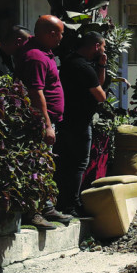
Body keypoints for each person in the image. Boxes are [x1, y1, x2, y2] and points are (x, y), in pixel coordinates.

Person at [16, 15, 72, 228]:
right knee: (36, 167)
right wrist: (47, 125)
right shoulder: (36, 57)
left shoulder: (43, 53)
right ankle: (33, 212)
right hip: (38, 123)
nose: (60, 38)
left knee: (45, 166)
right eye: (59, 34)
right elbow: (35, 93)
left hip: (49, 121)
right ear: (50, 33)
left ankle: (46, 206)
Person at [55, 32, 108, 216]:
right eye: (103, 46)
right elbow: (101, 96)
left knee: (66, 162)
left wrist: (101, 65)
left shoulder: (70, 61)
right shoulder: (83, 67)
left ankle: (62, 201)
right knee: (78, 163)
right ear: (96, 46)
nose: (103, 50)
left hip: (66, 120)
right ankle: (72, 204)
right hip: (79, 121)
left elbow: (97, 83)